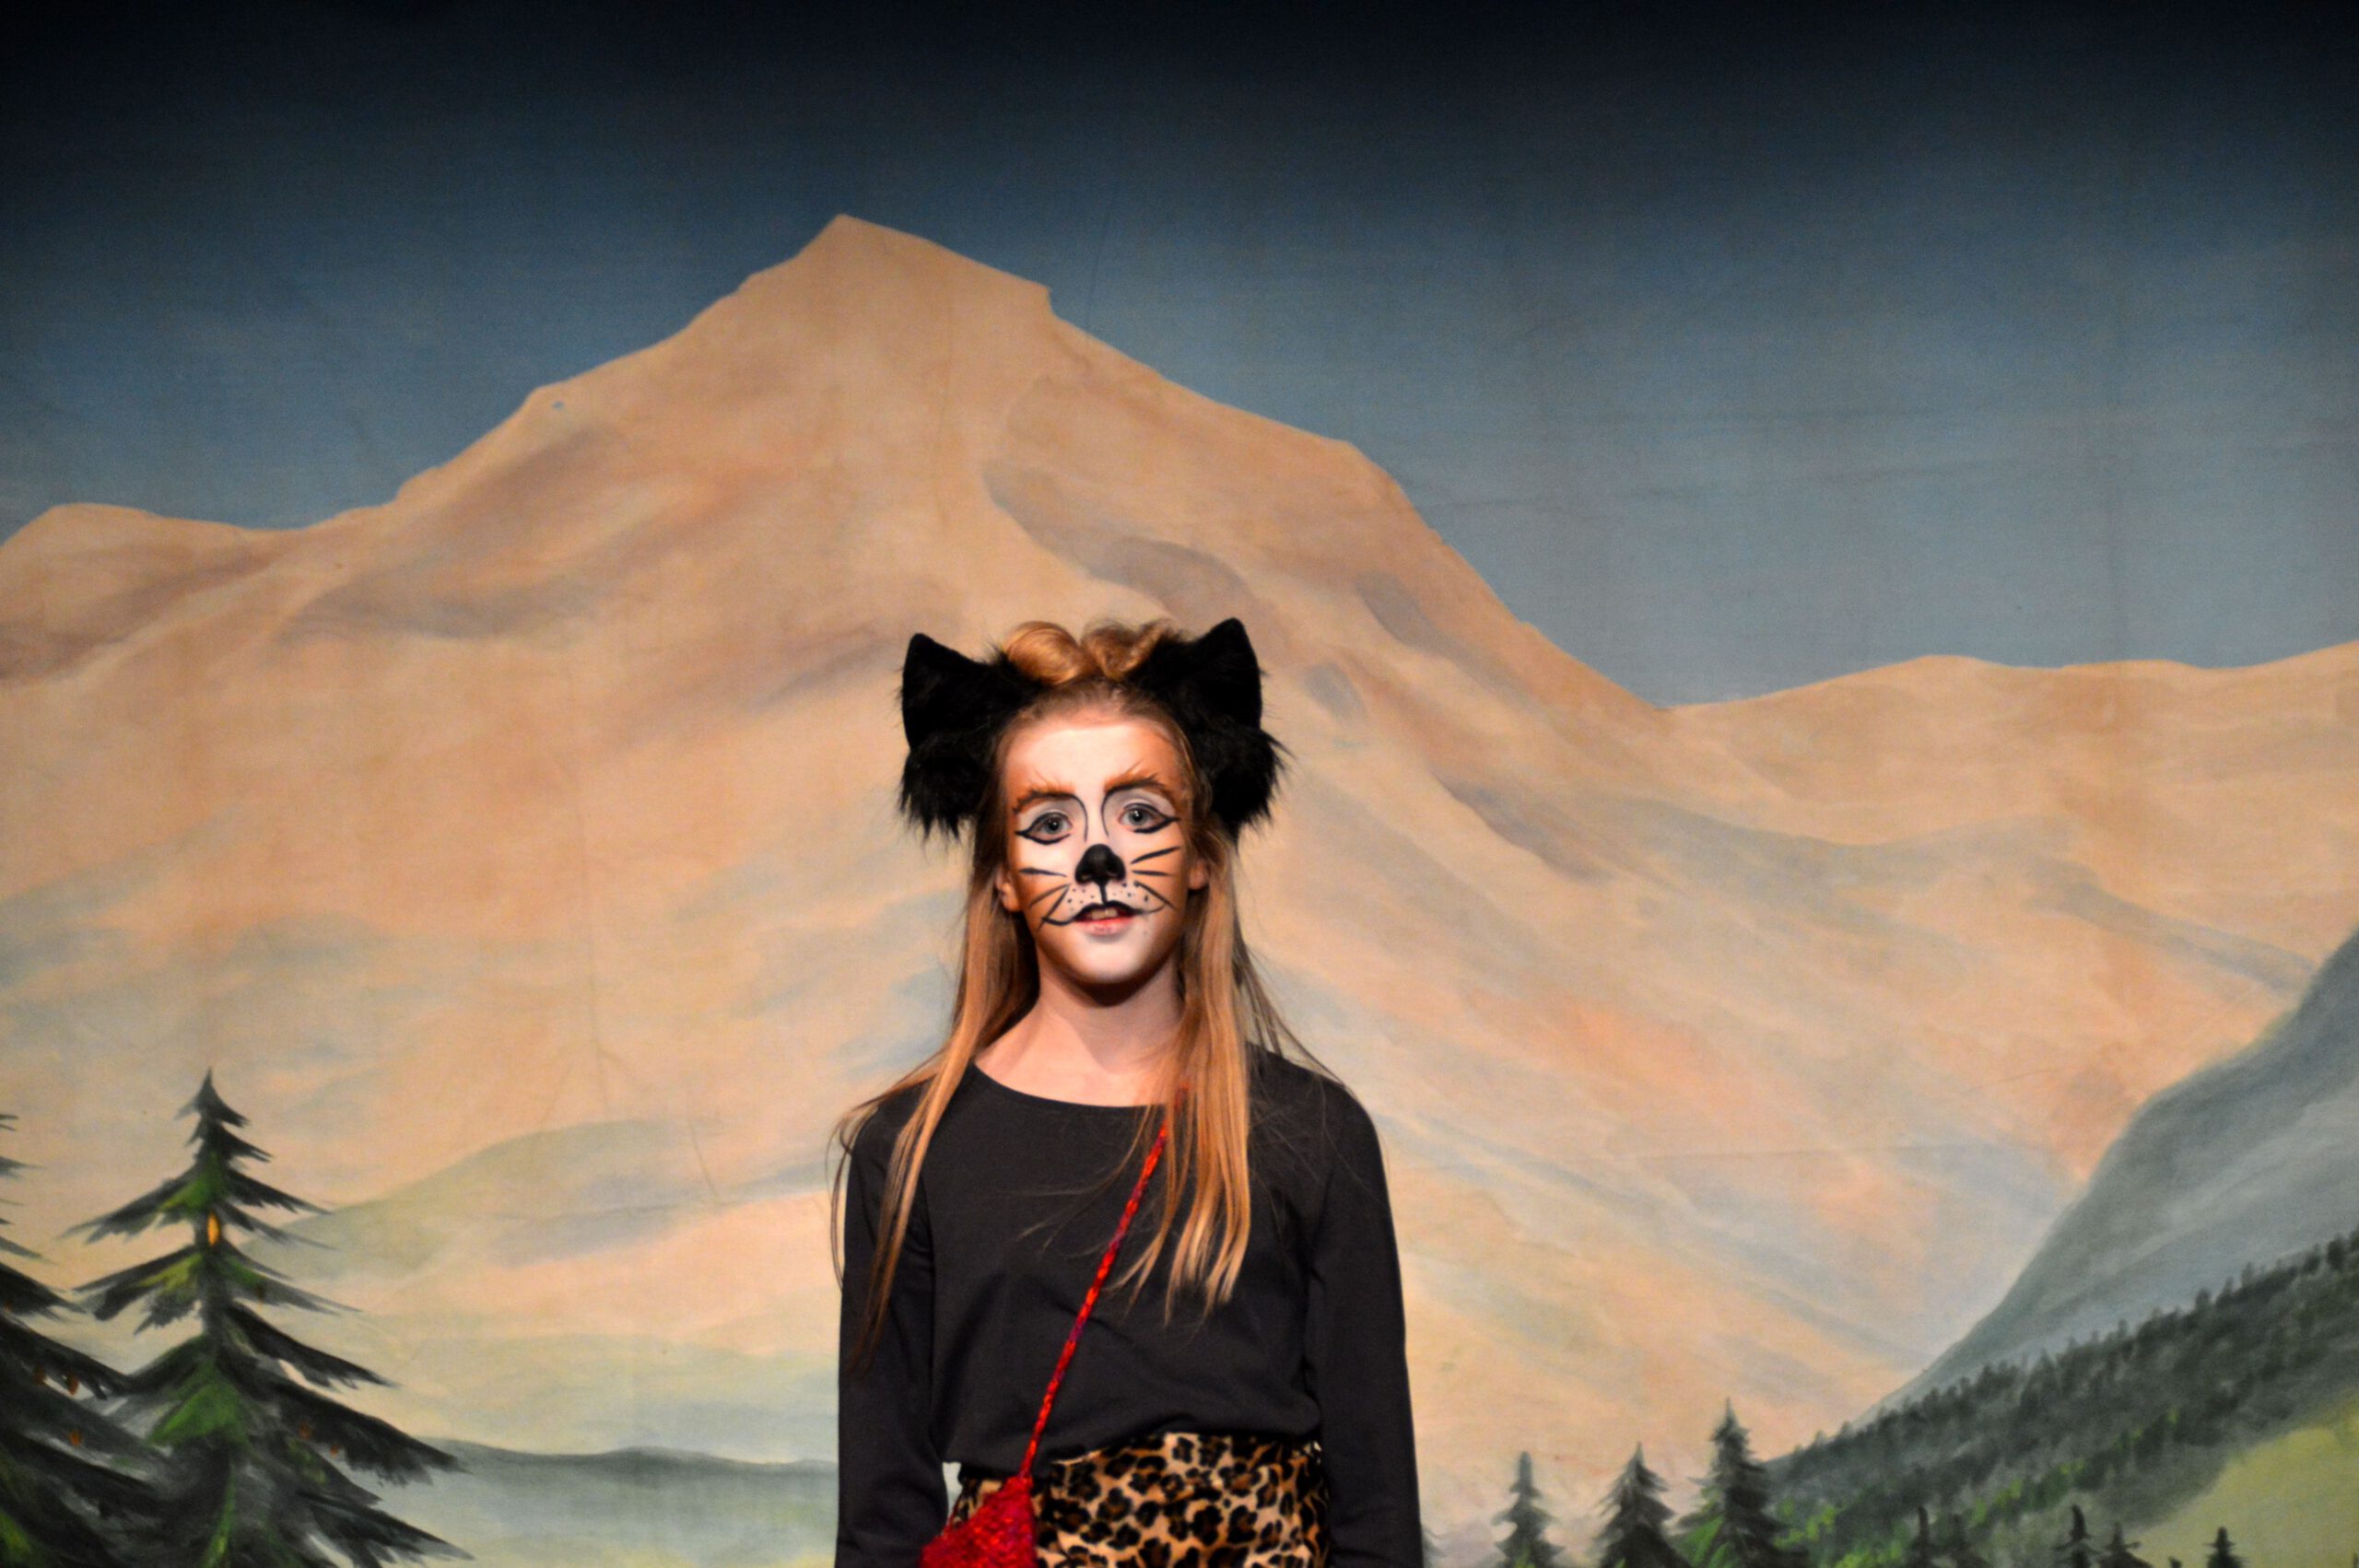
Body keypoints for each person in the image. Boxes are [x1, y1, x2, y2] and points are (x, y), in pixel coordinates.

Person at [831, 615, 1423, 1566]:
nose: (1098, 858)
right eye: (1049, 824)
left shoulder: (1312, 1132)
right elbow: (882, 1518)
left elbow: (1377, 1512)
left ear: (1201, 855)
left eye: (1140, 815)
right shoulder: (912, 1149)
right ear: (1003, 877)